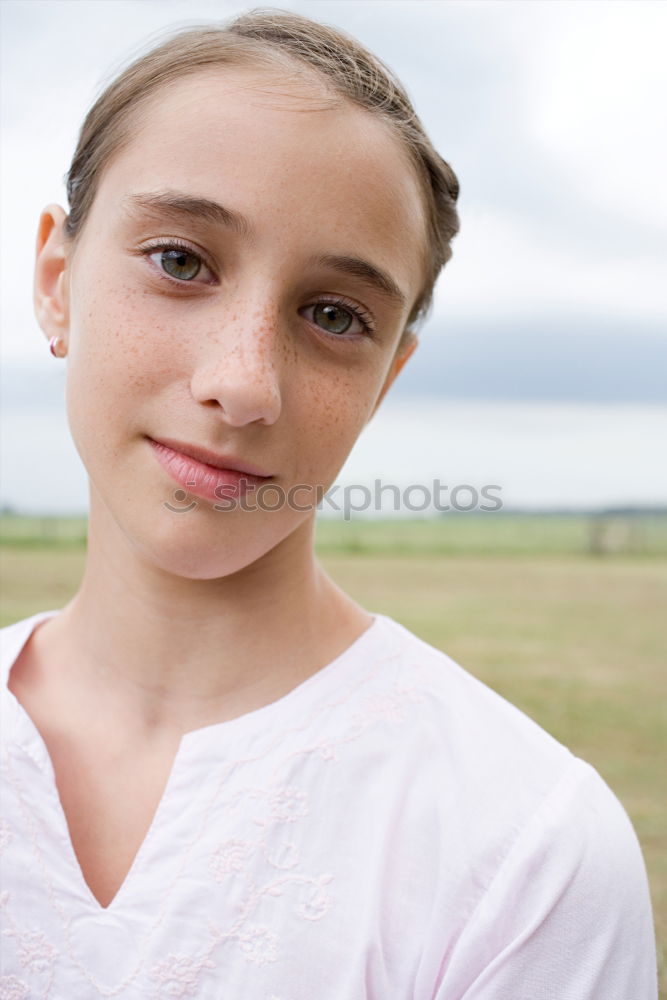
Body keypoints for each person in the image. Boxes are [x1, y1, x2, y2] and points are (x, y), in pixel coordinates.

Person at [0, 8, 658, 999]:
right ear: (56, 281)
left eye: (334, 316)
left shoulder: (525, 851)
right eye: (181, 260)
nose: (244, 382)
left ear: (386, 377)